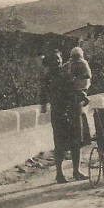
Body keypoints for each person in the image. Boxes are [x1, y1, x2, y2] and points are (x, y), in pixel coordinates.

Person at [40, 49, 88, 183]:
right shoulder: (49, 77)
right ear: (49, 62)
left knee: (76, 141)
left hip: (73, 109)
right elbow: (44, 94)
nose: (57, 61)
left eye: (59, 58)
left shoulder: (68, 71)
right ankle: (59, 173)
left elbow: (78, 85)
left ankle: (76, 171)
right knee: (59, 143)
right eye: (54, 59)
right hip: (59, 112)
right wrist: (43, 105)